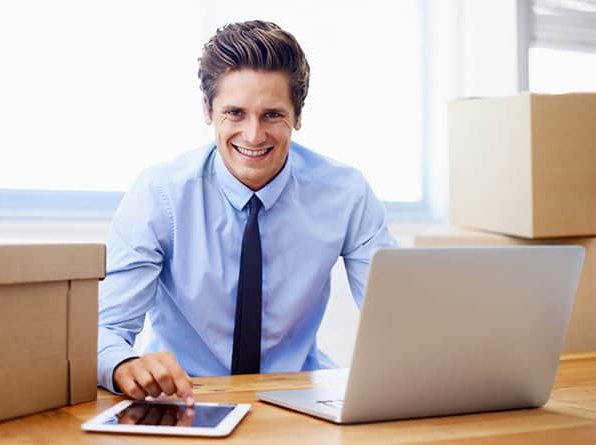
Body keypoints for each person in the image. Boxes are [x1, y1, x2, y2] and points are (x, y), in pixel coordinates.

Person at [97, 20, 397, 405]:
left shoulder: (346, 193)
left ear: (298, 116)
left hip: (298, 395)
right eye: (235, 113)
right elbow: (107, 329)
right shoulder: (160, 195)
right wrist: (126, 364)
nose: (253, 135)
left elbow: (399, 322)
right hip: (188, 396)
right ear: (207, 110)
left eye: (272, 114)